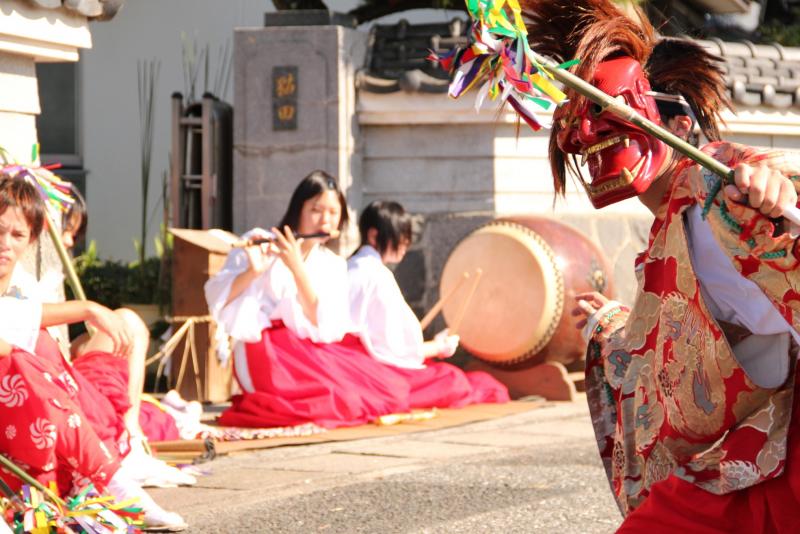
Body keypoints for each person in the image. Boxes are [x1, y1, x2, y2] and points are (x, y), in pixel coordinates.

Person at [503, 0, 800, 530]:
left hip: (782, 450)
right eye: (581, 125)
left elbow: (762, 181)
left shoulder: (722, 186)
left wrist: (775, 193)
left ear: (680, 124)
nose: (589, 136)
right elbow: (681, 350)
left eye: (606, 116)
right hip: (754, 446)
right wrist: (613, 326)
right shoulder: (669, 230)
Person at [0, 176, 186, 530]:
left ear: (32, 240)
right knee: (27, 355)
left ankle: (117, 469)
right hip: (23, 403)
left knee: (43, 351)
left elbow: (22, 325)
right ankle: (115, 480)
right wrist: (87, 308)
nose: (5, 244)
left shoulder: (21, 282)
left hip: (39, 403)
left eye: (17, 235)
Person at [206, 170, 414, 428]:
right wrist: (254, 272)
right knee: (334, 402)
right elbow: (219, 300)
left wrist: (296, 266)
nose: (325, 220)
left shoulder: (334, 265)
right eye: (316, 210)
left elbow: (322, 322)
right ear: (298, 210)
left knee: (376, 394)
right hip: (264, 347)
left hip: (305, 350)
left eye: (333, 213)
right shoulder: (258, 240)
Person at [348, 200, 509, 407]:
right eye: (401, 237)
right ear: (373, 235)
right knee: (456, 380)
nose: (405, 245)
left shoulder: (349, 266)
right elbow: (393, 349)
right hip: (375, 369)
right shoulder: (377, 276)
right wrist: (437, 347)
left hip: (354, 364)